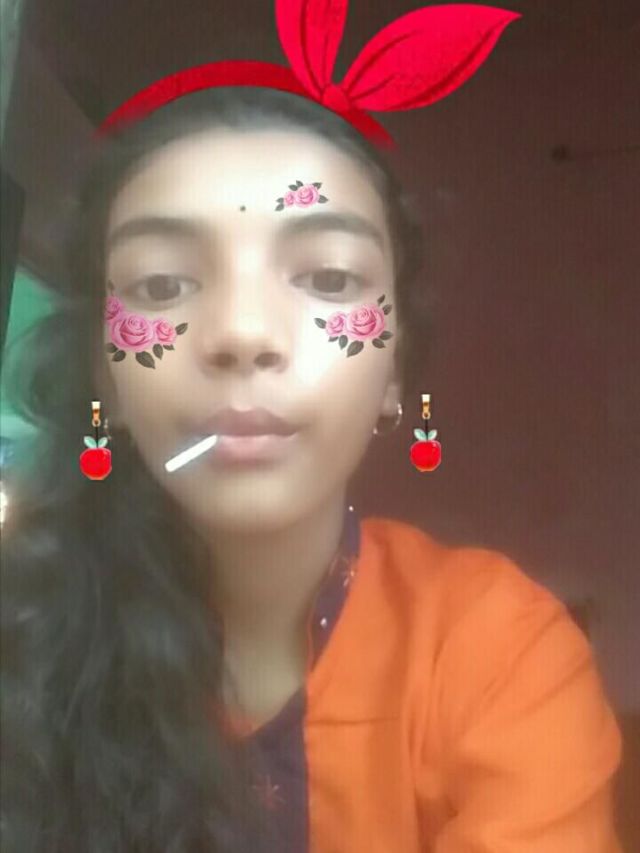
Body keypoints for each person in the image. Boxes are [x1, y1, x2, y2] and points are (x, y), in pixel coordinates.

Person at [1, 11, 623, 853]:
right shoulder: (22, 634)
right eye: (162, 284)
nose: (243, 332)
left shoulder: (498, 652)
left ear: (394, 369)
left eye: (328, 276)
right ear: (105, 372)